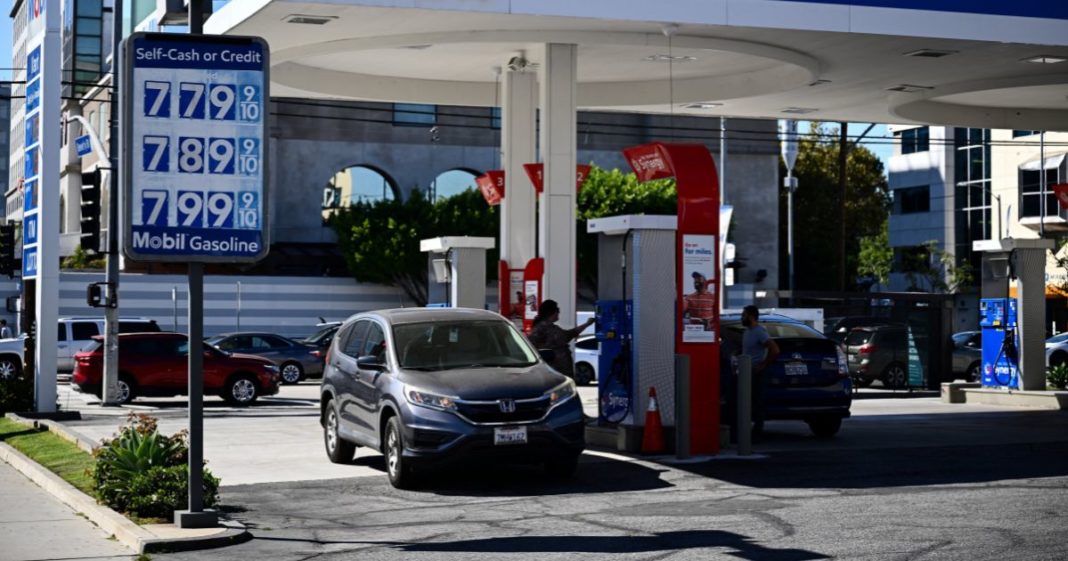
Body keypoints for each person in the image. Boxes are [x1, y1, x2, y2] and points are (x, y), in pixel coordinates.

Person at [527, 299, 595, 379]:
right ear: (551, 312)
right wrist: (586, 324)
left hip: (557, 373)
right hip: (556, 373)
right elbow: (567, 336)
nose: (558, 313)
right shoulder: (545, 327)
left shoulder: (544, 327)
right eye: (557, 310)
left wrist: (586, 324)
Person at [741, 305, 779, 435]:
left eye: (744, 315)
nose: (742, 317)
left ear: (751, 316)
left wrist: (763, 365)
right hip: (746, 371)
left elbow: (774, 349)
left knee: (757, 401)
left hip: (756, 372)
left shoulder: (759, 331)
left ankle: (758, 430)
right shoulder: (747, 331)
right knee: (748, 401)